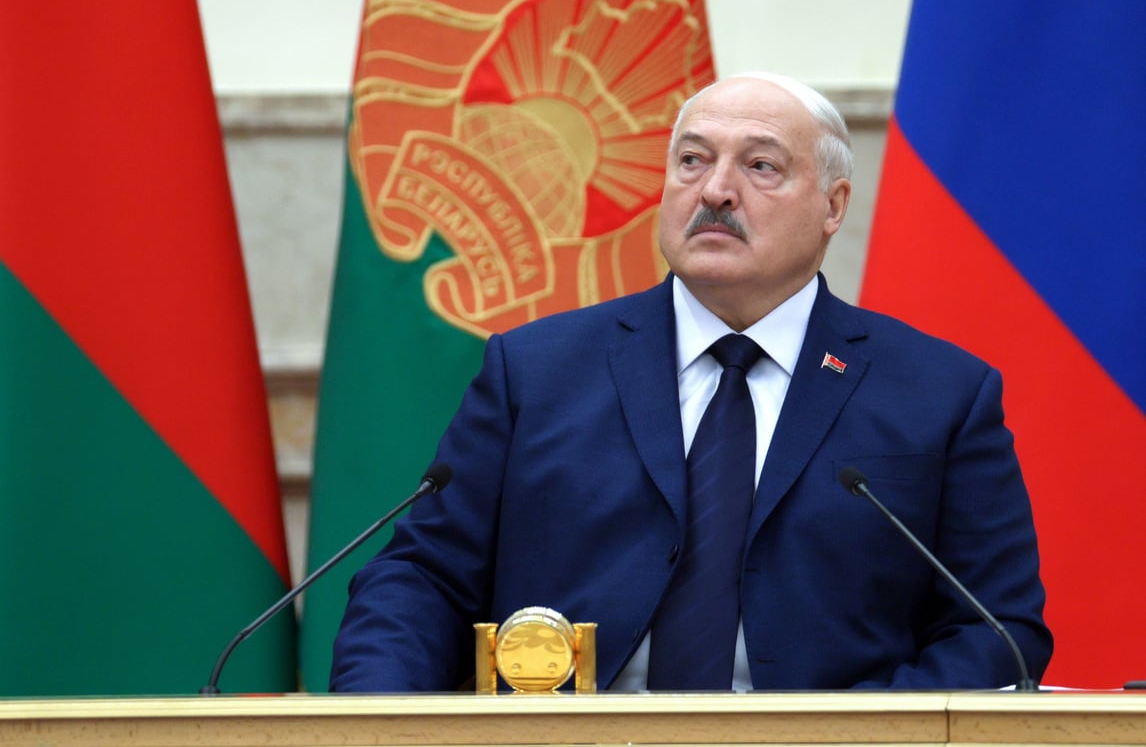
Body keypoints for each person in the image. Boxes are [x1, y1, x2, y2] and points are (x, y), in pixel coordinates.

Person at [329, 73, 1053, 692]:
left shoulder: (938, 394)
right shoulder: (536, 372)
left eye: (761, 166)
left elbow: (995, 629)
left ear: (833, 206)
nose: (716, 190)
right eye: (691, 161)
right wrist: (379, 722)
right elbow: (420, 579)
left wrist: (843, 734)